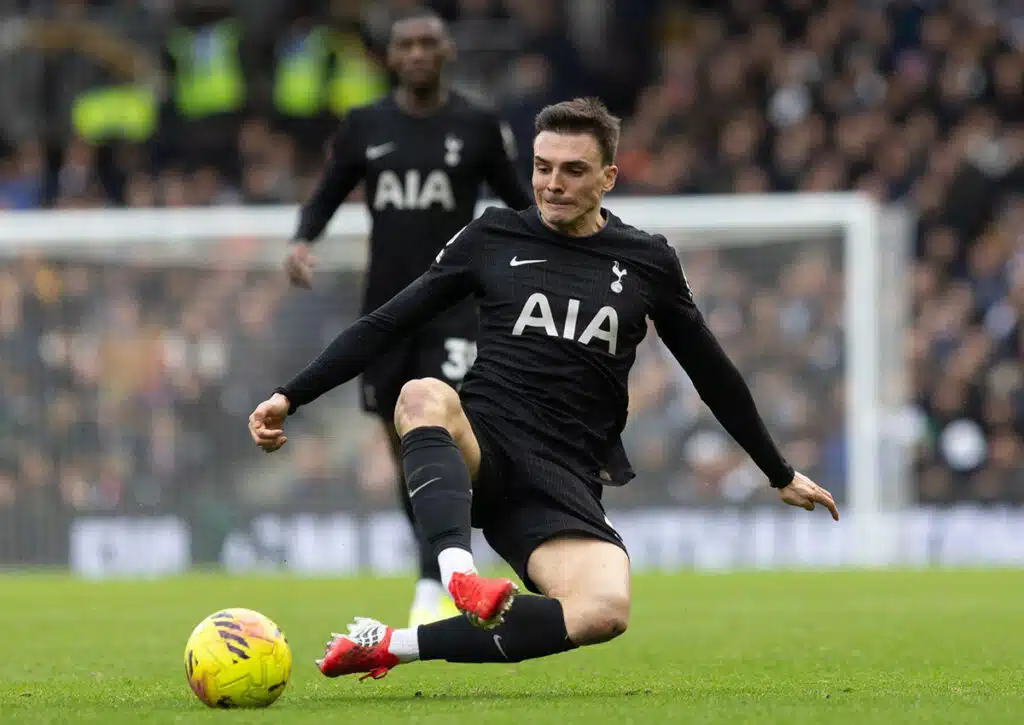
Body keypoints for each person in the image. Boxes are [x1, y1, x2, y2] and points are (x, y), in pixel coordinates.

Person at [251, 97, 840, 681]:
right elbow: (386, 323)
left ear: (609, 177)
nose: (552, 183)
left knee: (604, 612)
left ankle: (390, 644)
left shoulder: (648, 260)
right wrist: (290, 396)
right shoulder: (493, 236)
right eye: (542, 166)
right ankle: (456, 573)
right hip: (481, 447)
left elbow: (712, 373)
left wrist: (778, 472)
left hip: (561, 479)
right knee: (421, 394)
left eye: (573, 170)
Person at [283, 7, 533, 628]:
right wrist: (303, 237)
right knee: (401, 445)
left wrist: (546, 251)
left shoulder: (476, 125)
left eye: (429, 43)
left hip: (456, 307)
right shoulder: (367, 124)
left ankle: (438, 576)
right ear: (391, 58)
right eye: (407, 45)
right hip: (388, 313)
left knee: (445, 430)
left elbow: (519, 198)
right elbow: (331, 186)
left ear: (448, 51)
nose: (418, 53)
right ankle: (436, 563)